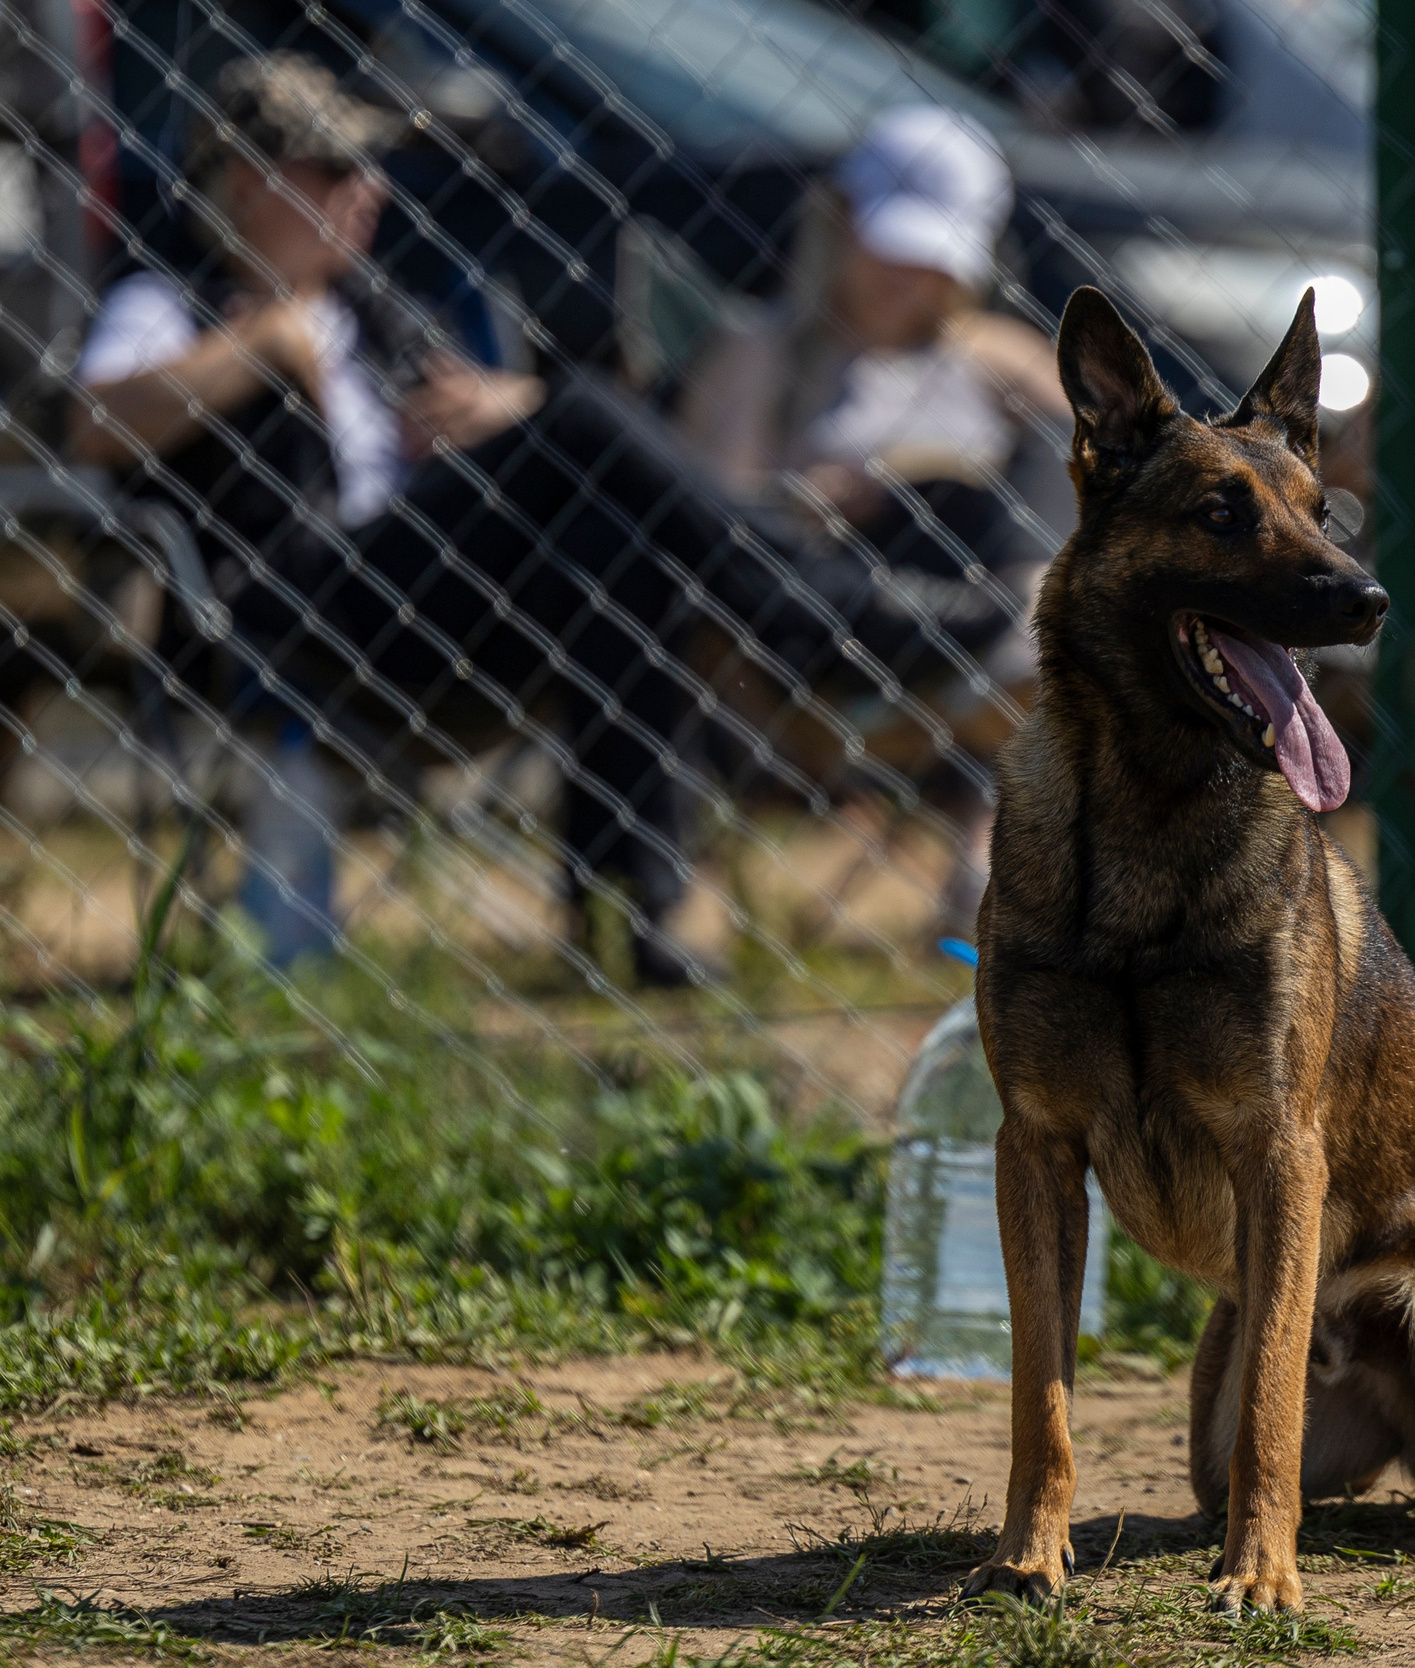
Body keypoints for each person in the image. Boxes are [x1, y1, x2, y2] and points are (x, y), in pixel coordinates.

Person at [68, 55, 908, 984]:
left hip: (434, 609)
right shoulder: (169, 302)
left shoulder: (374, 313)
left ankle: (631, 918)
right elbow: (96, 422)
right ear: (252, 184)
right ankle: (827, 613)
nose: (371, 193)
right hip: (291, 611)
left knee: (618, 554)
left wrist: (506, 412)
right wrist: (259, 344)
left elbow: (493, 431)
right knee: (585, 410)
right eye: (339, 170)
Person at [676, 105, 1071, 934]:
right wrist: (821, 494)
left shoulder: (997, 357)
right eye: (892, 252)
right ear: (841, 223)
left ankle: (986, 847)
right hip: (835, 624)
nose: (909, 280)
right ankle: (1019, 632)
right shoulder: (765, 354)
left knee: (1028, 465)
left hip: (973, 600)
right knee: (962, 514)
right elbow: (712, 519)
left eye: (933, 261)